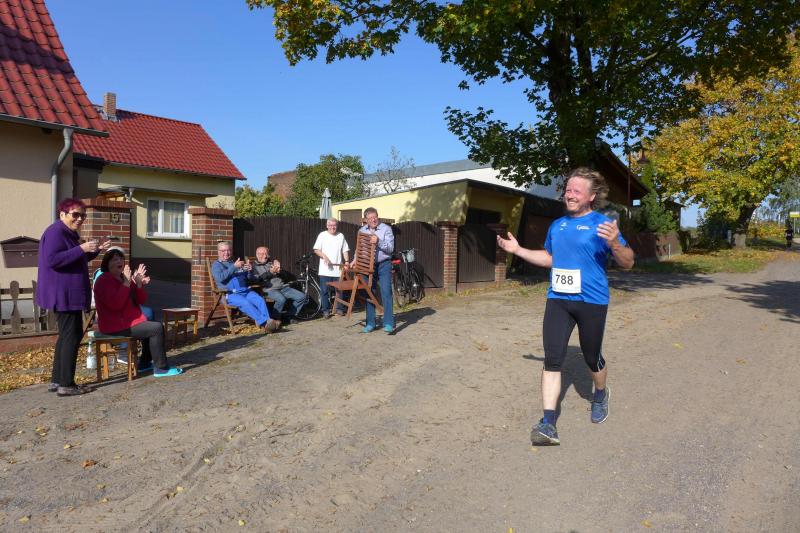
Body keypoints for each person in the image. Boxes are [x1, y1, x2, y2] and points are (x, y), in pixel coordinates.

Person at [497, 167, 634, 446]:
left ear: (591, 196)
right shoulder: (557, 226)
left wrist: (615, 245)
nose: (569, 195)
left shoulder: (602, 224)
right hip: (558, 299)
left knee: (591, 357)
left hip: (592, 301)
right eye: (568, 190)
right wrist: (518, 250)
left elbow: (628, 262)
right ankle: (548, 423)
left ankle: (600, 393)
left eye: (576, 191)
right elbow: (551, 259)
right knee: (552, 358)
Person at [37, 198, 112, 396]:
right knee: (72, 336)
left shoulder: (67, 233)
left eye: (83, 215)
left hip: (66, 293)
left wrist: (95, 250)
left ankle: (57, 380)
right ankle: (66, 384)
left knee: (67, 336)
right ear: (62, 214)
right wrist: (81, 248)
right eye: (75, 214)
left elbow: (75, 258)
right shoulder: (55, 232)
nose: (80, 219)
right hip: (63, 294)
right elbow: (53, 260)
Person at [93, 248, 183, 377]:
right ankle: (161, 368)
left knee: (150, 324)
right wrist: (126, 283)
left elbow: (140, 300)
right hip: (113, 326)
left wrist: (139, 284)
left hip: (129, 322)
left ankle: (144, 363)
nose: (119, 261)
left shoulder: (124, 278)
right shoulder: (103, 281)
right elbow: (116, 304)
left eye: (121, 259)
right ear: (107, 264)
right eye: (115, 259)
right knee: (156, 328)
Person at [211, 241, 280, 332]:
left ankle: (268, 324)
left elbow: (248, 279)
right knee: (245, 303)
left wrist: (249, 271)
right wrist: (234, 267)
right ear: (218, 252)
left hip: (245, 291)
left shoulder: (235, 263)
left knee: (260, 300)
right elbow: (220, 278)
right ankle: (266, 323)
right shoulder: (216, 265)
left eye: (228, 250)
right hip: (229, 294)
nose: (226, 253)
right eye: (223, 251)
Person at [357, 207, 395, 333]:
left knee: (386, 292)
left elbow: (390, 249)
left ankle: (388, 323)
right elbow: (359, 249)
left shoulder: (386, 229)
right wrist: (354, 261)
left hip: (384, 264)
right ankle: (370, 323)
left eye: (375, 217)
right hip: (368, 266)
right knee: (369, 293)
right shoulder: (362, 231)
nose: (373, 220)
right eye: (370, 218)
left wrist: (378, 241)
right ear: (366, 220)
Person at [250, 246, 309, 323]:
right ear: (257, 255)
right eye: (262, 254)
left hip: (283, 287)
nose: (265, 256)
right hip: (268, 289)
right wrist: (270, 272)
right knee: (281, 299)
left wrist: (279, 271)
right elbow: (257, 280)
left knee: (302, 297)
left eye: (266, 254)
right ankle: (275, 320)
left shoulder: (272, 263)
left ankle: (289, 316)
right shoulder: (253, 267)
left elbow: (286, 276)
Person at [313, 218, 350, 317]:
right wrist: (324, 256)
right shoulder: (322, 235)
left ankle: (339, 309)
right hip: (325, 270)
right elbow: (316, 249)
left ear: (337, 226)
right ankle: (325, 311)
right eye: (330, 225)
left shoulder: (341, 236)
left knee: (339, 290)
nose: (332, 227)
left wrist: (347, 262)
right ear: (327, 226)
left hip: (338, 270)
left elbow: (345, 250)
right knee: (324, 291)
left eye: (334, 225)